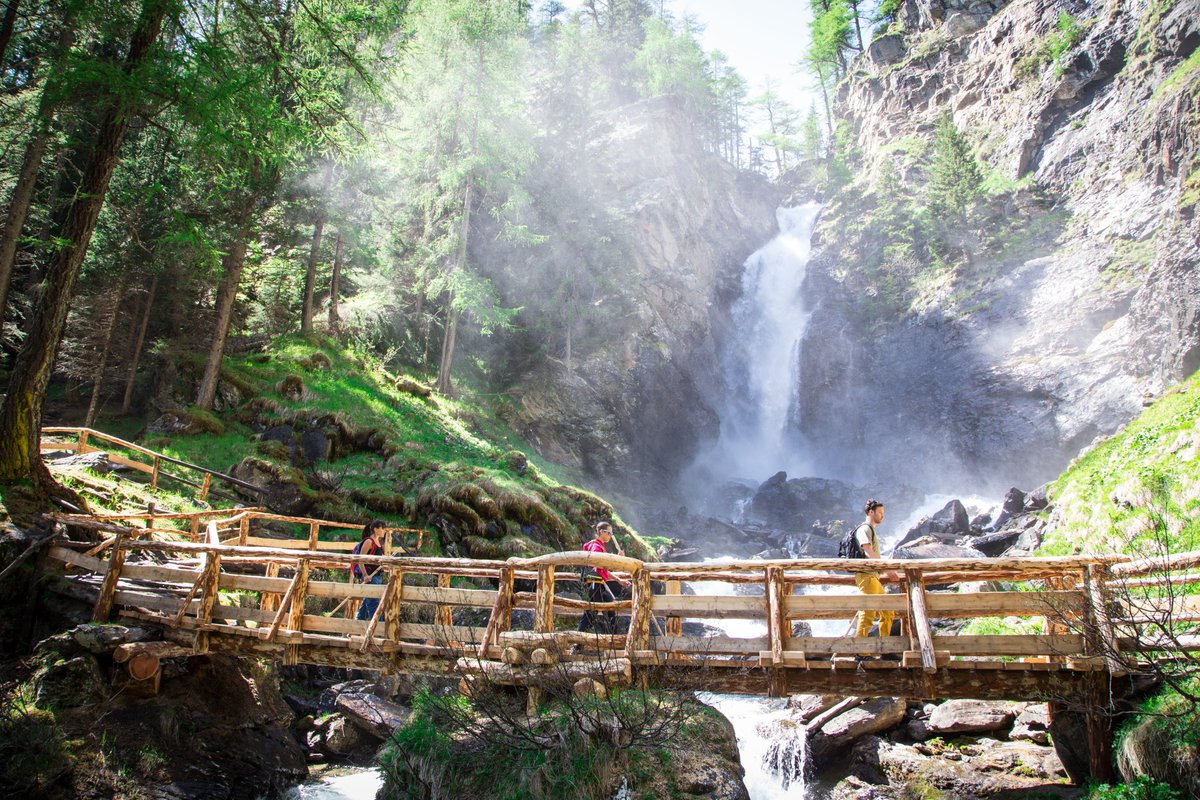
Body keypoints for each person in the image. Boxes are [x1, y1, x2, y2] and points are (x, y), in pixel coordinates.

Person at [852, 499, 897, 639]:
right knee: (868, 612)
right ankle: (861, 650)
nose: (882, 515)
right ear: (871, 512)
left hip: (873, 578)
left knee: (888, 611)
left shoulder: (870, 530)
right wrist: (887, 569)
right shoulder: (864, 529)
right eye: (880, 512)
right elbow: (868, 552)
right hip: (867, 576)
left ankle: (885, 647)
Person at [579, 521, 629, 634]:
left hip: (598, 582)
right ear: (601, 532)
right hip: (594, 582)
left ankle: (614, 640)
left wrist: (618, 580)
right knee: (594, 611)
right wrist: (617, 558)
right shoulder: (595, 545)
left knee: (608, 608)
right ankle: (579, 642)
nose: (611, 535)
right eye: (609, 532)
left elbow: (603, 568)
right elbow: (597, 561)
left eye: (612, 533)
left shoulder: (600, 546)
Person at [353, 520, 387, 621]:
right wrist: (365, 575)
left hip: (377, 576)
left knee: (366, 604)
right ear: (376, 530)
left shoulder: (379, 543)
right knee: (374, 604)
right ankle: (378, 629)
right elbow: (360, 560)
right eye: (382, 528)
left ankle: (354, 628)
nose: (384, 530)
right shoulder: (369, 542)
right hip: (370, 577)